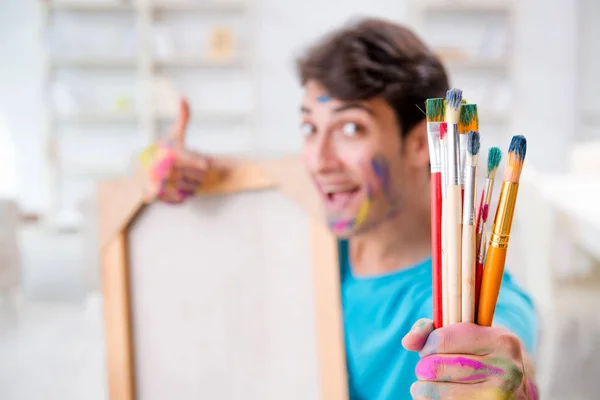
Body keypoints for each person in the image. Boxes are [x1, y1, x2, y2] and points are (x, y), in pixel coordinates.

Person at [140, 18, 539, 399]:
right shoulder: (306, 231)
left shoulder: (475, 297)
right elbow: (230, 175)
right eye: (309, 128)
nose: (318, 160)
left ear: (422, 144)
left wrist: (508, 386)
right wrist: (159, 172)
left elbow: (506, 349)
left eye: (351, 129)